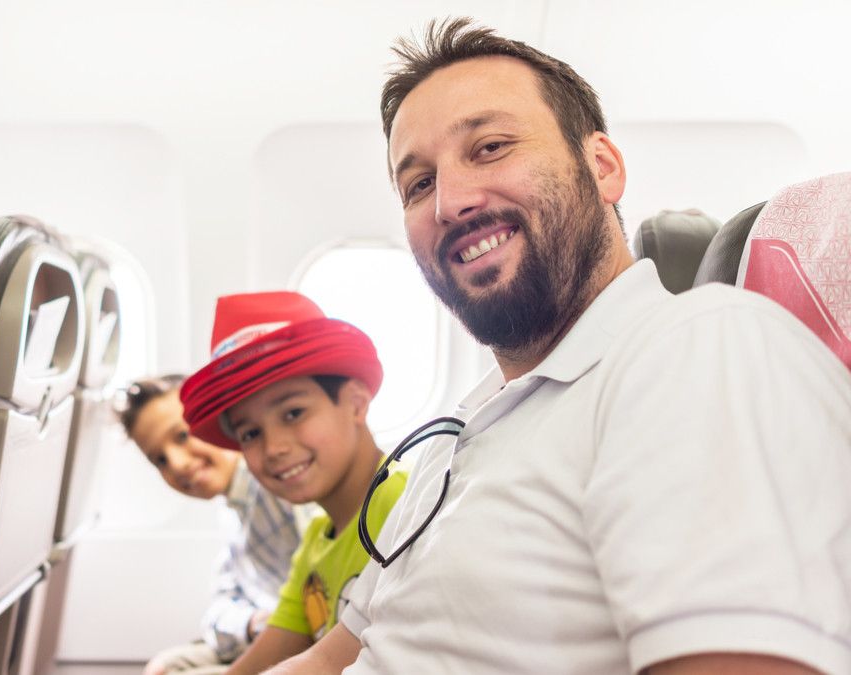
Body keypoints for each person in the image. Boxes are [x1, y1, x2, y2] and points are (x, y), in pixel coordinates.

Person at [270, 16, 851, 675]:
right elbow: (334, 656)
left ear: (602, 167)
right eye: (419, 184)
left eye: (490, 147)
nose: (449, 202)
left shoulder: (697, 350)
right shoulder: (455, 433)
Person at [179, 291, 408, 674]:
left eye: (293, 413)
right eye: (250, 434)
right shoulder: (317, 539)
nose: (273, 448)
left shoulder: (405, 502)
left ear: (355, 403)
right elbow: (265, 657)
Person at [120, 375, 305, 674]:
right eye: (160, 460)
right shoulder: (231, 511)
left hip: (298, 639)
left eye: (182, 436)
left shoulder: (278, 485)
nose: (177, 463)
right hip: (263, 632)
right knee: (163, 667)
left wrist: (265, 625)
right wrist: (252, 623)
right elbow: (220, 606)